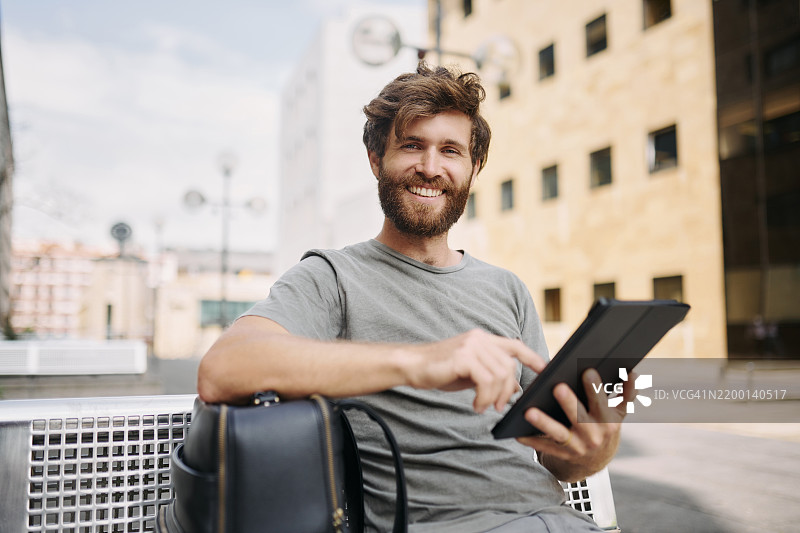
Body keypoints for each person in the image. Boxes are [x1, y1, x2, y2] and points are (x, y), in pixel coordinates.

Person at [198, 63, 635, 533]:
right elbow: (223, 369)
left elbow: (555, 460)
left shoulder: (507, 289)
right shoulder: (332, 276)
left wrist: (594, 448)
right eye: (412, 146)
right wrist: (420, 362)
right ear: (374, 159)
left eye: (451, 150)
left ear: (474, 167)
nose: (431, 167)